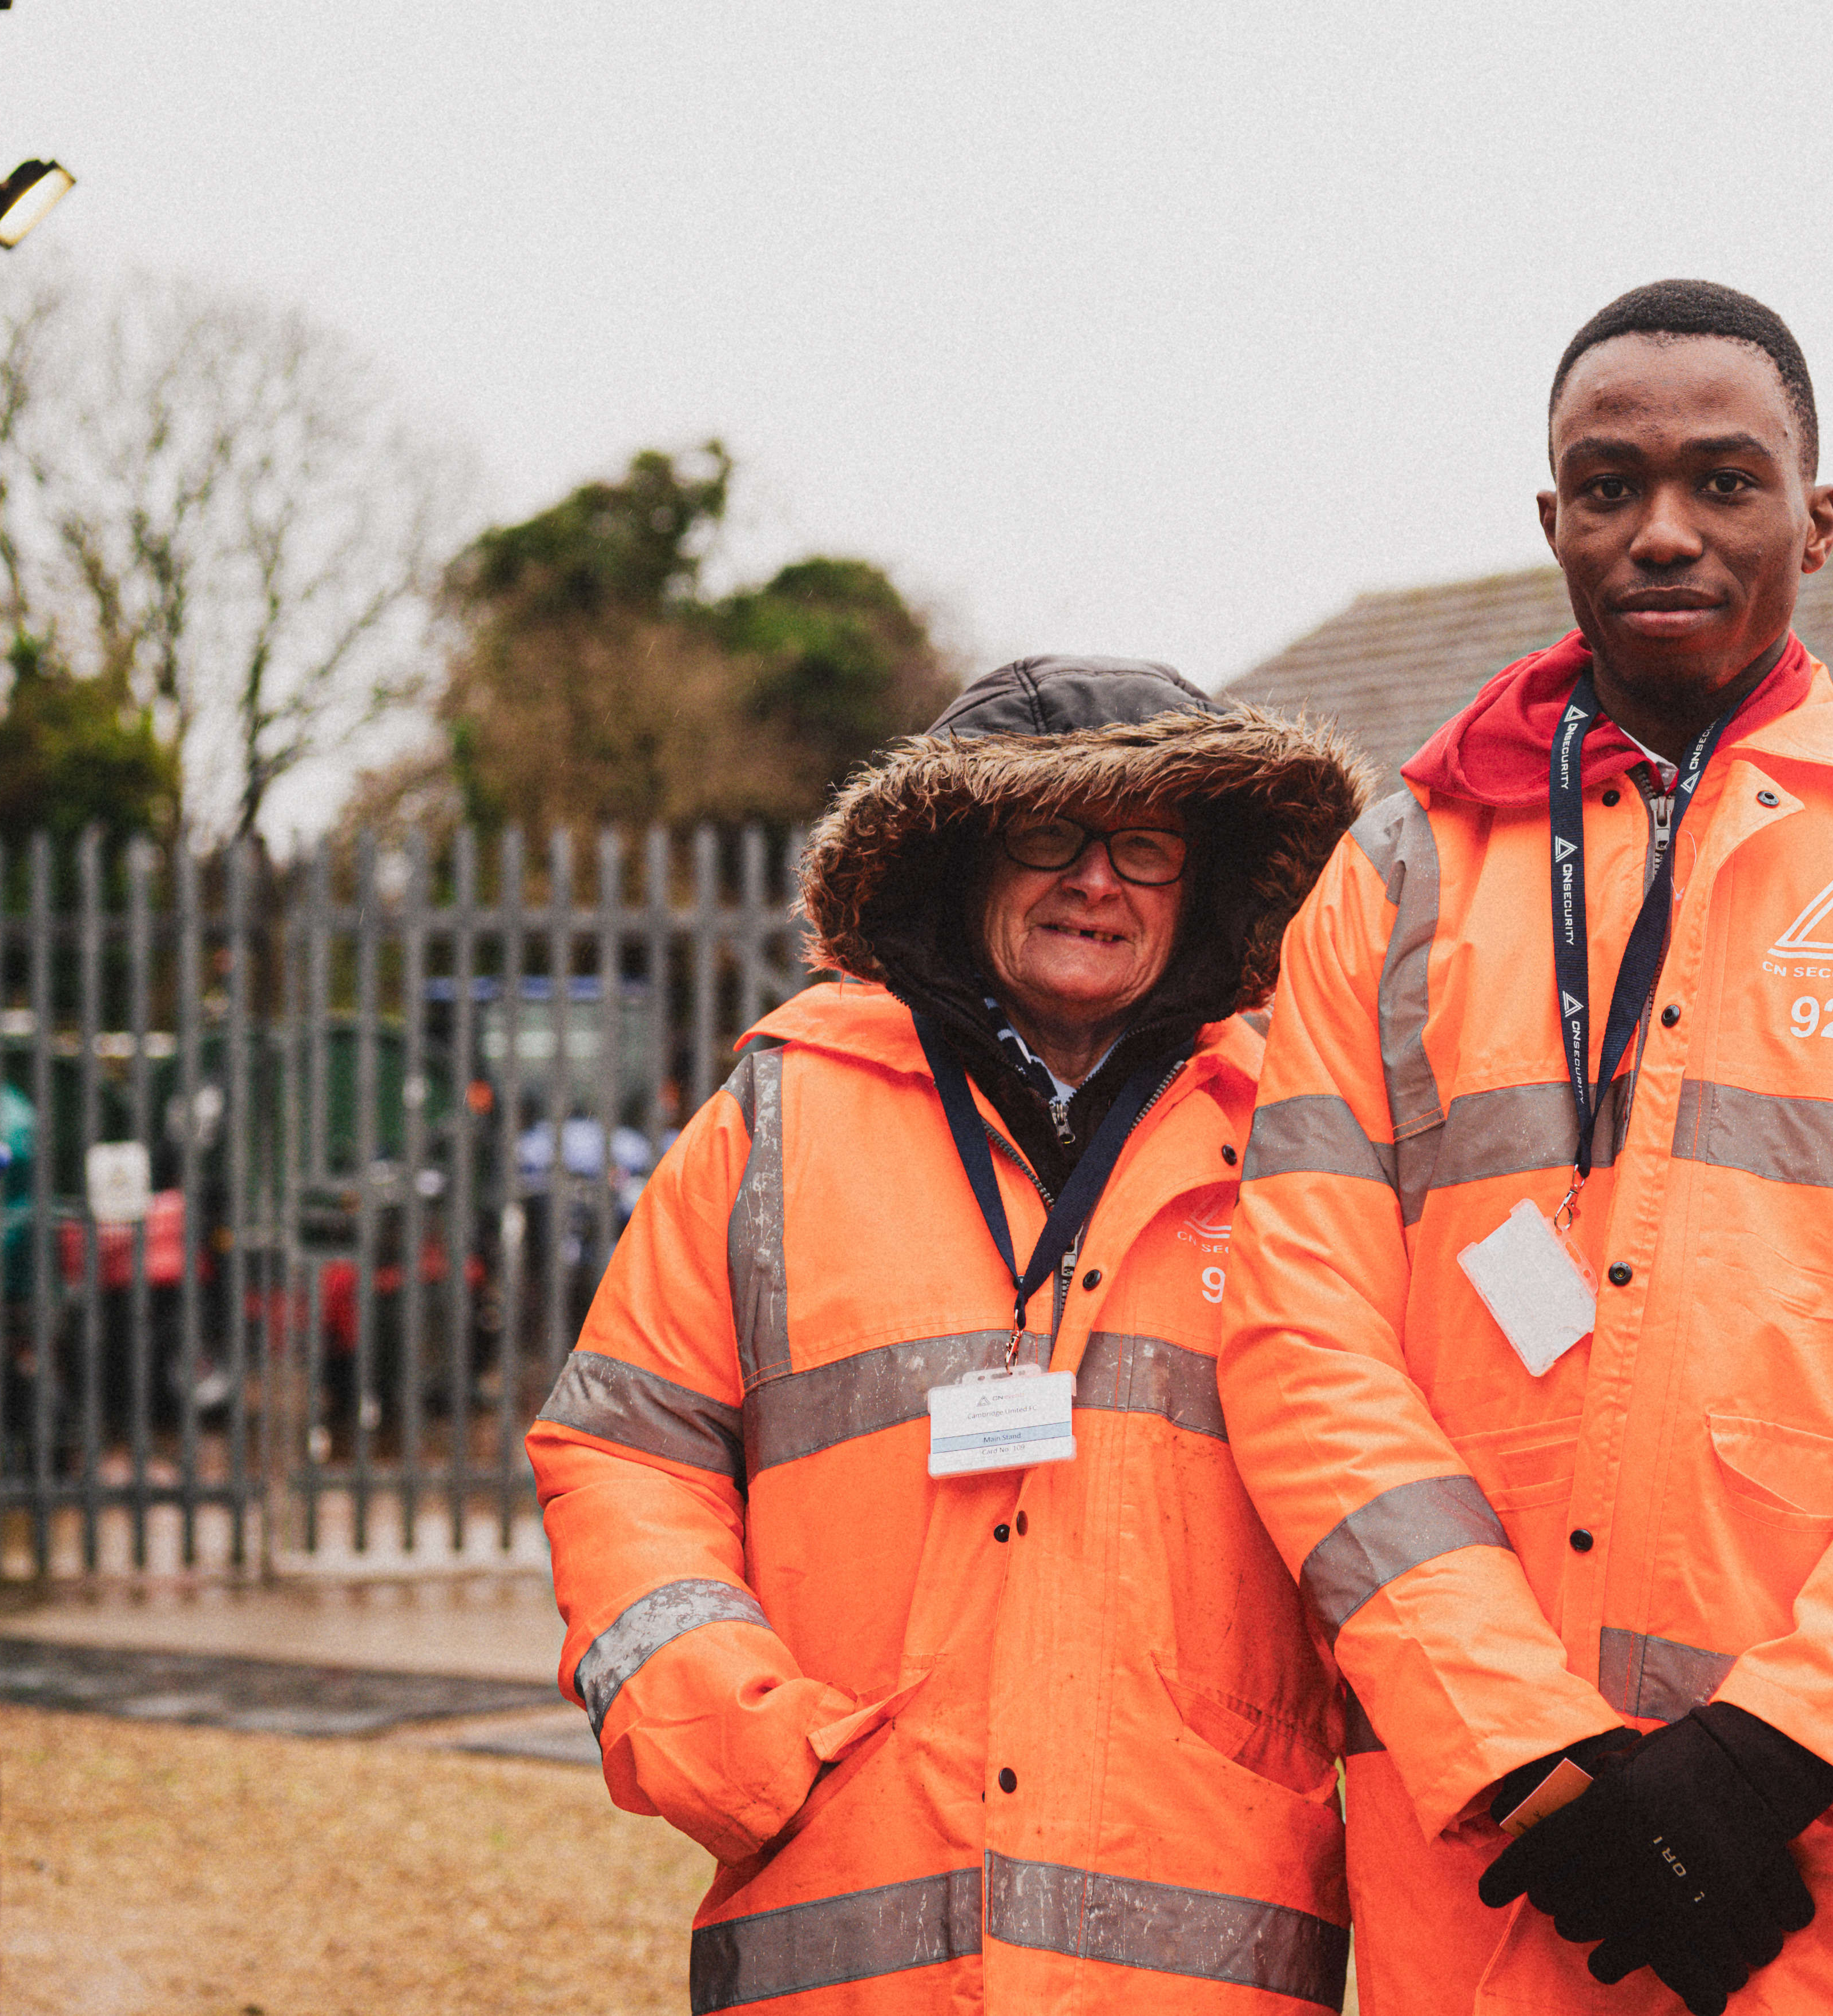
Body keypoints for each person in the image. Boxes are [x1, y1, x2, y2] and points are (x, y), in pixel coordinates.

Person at [1217, 281, 1833, 2015]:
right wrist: (1516, 1738)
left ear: (1817, 514)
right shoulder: (1394, 876)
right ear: (1548, 519)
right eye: (1607, 482)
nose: (1663, 529)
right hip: (1496, 1848)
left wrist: (1785, 1746)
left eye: (1723, 481)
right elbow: (1297, 1339)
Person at [530, 655, 1370, 2013]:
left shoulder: (1303, 1142)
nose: (1095, 880)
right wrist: (720, 1723)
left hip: (1207, 1957)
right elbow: (625, 1446)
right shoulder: (775, 1119)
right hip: (849, 1940)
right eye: (1049, 832)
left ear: (1200, 880)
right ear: (962, 859)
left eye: (1144, 844)